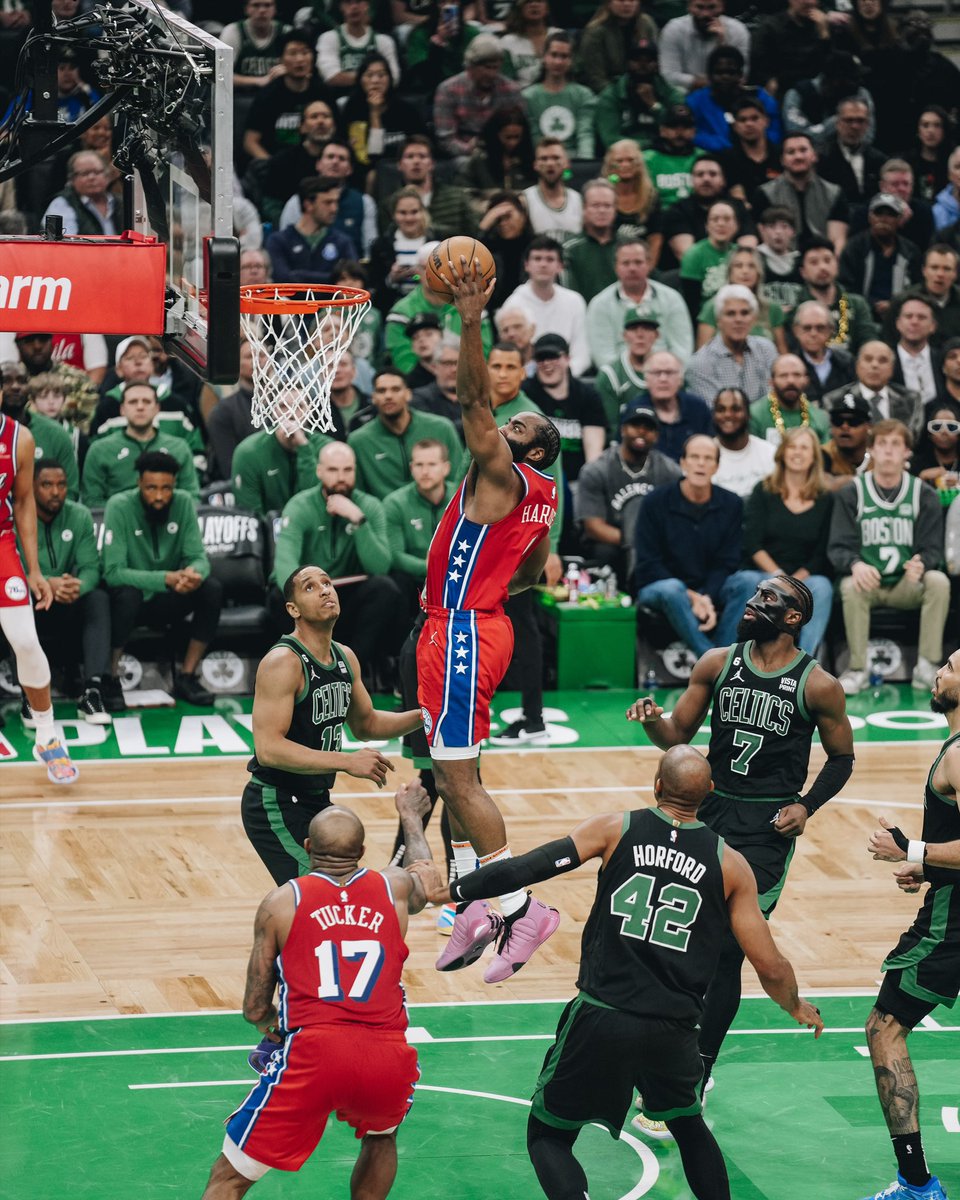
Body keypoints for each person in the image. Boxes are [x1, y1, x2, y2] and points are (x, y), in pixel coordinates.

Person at [408, 744, 825, 1200]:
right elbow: (770, 964)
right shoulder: (731, 864)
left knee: (548, 1137)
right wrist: (795, 1005)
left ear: (657, 785)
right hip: (674, 1027)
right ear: (709, 792)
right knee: (688, 1125)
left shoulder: (616, 828)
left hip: (602, 1015)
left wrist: (450, 891)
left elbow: (528, 867)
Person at [628, 574, 853, 1124]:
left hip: (766, 826)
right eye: (755, 596)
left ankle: (698, 1071)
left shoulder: (817, 684)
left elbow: (843, 758)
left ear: (795, 617)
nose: (754, 604)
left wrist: (807, 805)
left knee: (729, 948)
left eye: (768, 599)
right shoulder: (717, 662)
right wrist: (655, 721)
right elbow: (680, 732)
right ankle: (665, 1048)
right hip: (710, 810)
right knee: (682, 939)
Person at [415, 256, 563, 984]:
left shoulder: (503, 472)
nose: (505, 422)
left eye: (519, 424)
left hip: (464, 629)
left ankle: (520, 905)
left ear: (529, 451)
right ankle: (476, 905)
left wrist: (470, 320)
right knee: (452, 774)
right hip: (479, 623)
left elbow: (472, 402)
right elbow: (533, 573)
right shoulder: (540, 498)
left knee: (460, 779)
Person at [200, 786, 432, 1199]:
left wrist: (274, 1026)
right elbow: (426, 878)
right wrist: (410, 816)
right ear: (362, 851)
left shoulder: (280, 903)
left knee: (229, 1179)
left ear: (307, 846)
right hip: (386, 1055)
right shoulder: (393, 888)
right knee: (381, 1137)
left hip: (314, 1055)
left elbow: (254, 1008)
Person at [241, 563, 424, 885]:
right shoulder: (283, 661)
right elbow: (268, 749)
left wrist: (427, 716)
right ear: (292, 608)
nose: (325, 589)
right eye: (310, 586)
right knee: (321, 894)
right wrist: (347, 761)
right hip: (276, 801)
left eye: (327, 583)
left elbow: (366, 723)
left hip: (316, 799)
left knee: (333, 897)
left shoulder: (344, 657)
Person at [859, 654, 959, 1200]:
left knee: (884, 1028)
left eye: (950, 666)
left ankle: (917, 1185)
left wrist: (913, 848)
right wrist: (923, 864)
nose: (939, 672)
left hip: (952, 926)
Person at [828, 419, 951, 695]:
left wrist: (920, 564)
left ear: (907, 452)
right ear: (871, 449)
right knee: (849, 584)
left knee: (938, 581)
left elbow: (933, 549)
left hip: (906, 585)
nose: (888, 451)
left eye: (896, 444)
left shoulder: (924, 494)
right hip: (867, 585)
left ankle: (927, 667)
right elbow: (837, 547)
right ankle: (857, 669)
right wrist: (855, 564)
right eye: (882, 444)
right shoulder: (852, 492)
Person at [101, 451, 223, 707]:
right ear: (139, 484)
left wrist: (194, 574)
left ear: (175, 485)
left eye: (166, 488)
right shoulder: (119, 506)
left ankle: (187, 676)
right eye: (151, 488)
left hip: (168, 598)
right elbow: (113, 573)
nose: (159, 496)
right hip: (131, 601)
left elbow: (198, 557)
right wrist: (166, 578)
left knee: (211, 589)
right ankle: (110, 678)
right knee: (126, 594)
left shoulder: (183, 503)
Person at [272, 442, 401, 678]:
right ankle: (305, 670)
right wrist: (310, 593)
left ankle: (350, 674)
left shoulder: (370, 506)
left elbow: (380, 566)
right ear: (319, 471)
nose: (340, 477)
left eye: (347, 470)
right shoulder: (300, 506)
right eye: (332, 470)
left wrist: (357, 520)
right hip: (310, 596)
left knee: (386, 588)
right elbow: (285, 568)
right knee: (277, 596)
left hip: (347, 595)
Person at [0, 410, 78, 783]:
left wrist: (33, 569)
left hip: (1, 544)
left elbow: (25, 501)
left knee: (27, 642)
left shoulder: (20, 438)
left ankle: (47, 734)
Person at [716, 427, 835, 654]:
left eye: (804, 448)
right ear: (782, 452)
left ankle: (804, 665)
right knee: (748, 581)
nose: (797, 453)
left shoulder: (825, 498)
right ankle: (725, 658)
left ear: (814, 456)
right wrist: (779, 579)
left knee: (822, 587)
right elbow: (752, 543)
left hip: (804, 578)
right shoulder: (764, 490)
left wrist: (794, 583)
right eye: (792, 446)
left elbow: (821, 552)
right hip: (763, 572)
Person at [634, 434, 743, 656]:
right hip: (659, 586)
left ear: (717, 466)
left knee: (751, 581)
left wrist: (706, 598)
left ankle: (723, 654)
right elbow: (649, 563)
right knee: (672, 589)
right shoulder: (655, 502)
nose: (700, 463)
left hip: (710, 588)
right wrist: (692, 596)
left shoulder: (732, 504)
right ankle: (714, 662)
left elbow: (727, 562)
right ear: (683, 463)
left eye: (708, 458)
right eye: (694, 457)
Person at [31, 461, 111, 725]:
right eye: (47, 485)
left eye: (61, 485)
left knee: (97, 598)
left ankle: (92, 692)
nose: (55, 491)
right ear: (31, 487)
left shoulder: (79, 515)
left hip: (66, 599)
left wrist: (75, 587)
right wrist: (46, 584)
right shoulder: (17, 515)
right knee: (12, 601)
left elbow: (91, 568)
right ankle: (28, 698)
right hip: (29, 600)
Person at [576, 397, 682, 588]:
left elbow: (676, 519)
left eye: (648, 427)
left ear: (656, 435)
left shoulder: (670, 471)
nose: (641, 431)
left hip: (655, 542)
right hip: (612, 542)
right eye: (635, 425)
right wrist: (636, 541)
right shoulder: (597, 469)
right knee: (605, 551)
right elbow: (593, 527)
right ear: (623, 429)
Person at [80, 382, 199, 508]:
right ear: (122, 410)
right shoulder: (100, 450)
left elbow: (192, 498)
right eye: (133, 402)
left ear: (157, 409)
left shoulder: (179, 448)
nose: (140, 407)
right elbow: (92, 501)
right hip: (118, 523)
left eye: (147, 402)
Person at [348, 370, 462, 500]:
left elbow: (459, 480)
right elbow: (358, 495)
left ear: (408, 394)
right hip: (385, 516)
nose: (388, 396)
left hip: (441, 513)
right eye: (381, 391)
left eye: (395, 389)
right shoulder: (359, 441)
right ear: (373, 398)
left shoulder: (442, 428)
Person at [586, 238, 694, 370]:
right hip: (620, 381)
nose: (632, 268)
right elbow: (603, 356)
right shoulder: (600, 304)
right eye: (626, 263)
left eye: (638, 262)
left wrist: (664, 377)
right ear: (616, 267)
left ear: (649, 264)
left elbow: (682, 349)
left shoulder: (672, 299)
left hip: (665, 376)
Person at [521, 334, 607, 481]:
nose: (547, 363)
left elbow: (594, 456)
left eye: (553, 357)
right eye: (541, 358)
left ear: (567, 359)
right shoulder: (525, 393)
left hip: (578, 483)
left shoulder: (587, 396)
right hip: (536, 481)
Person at [501, 236, 590, 375]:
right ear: (526, 265)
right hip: (526, 379)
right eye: (537, 259)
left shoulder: (575, 301)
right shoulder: (513, 304)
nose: (543, 264)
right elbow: (510, 355)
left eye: (550, 259)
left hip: (567, 378)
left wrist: (561, 376)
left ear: (560, 266)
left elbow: (582, 354)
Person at [242, 30, 334, 162]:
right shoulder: (268, 95)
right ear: (281, 59)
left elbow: (337, 133)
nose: (300, 59)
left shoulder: (323, 92)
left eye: (305, 52)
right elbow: (250, 143)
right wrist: (273, 166)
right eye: (293, 53)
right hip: (276, 163)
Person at [753, 133, 850, 253]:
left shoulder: (834, 193)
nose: (798, 156)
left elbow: (837, 240)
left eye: (803, 150)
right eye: (791, 152)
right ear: (782, 160)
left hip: (821, 260)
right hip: (780, 259)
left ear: (814, 155)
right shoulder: (764, 193)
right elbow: (765, 239)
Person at [432, 36, 525, 160]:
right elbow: (446, 139)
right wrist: (471, 150)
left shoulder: (511, 90)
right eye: (487, 67)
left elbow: (521, 133)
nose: (492, 74)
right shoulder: (448, 90)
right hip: (464, 155)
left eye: (495, 67)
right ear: (470, 66)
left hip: (504, 153)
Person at [685, 285, 778, 405]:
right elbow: (716, 412)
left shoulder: (766, 349)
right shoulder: (700, 363)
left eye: (744, 313)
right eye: (730, 314)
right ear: (718, 320)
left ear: (753, 319)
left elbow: (776, 398)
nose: (738, 319)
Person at [839, 194, 922, 323]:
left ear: (899, 219)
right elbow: (845, 287)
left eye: (890, 214)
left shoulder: (911, 252)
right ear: (870, 217)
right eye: (878, 214)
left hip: (903, 318)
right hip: (861, 317)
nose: (883, 219)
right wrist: (872, 305)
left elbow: (918, 288)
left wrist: (894, 305)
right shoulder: (854, 248)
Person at [793, 236, 879, 356]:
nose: (822, 267)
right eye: (814, 262)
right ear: (803, 272)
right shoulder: (796, 308)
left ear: (837, 265)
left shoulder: (857, 304)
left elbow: (869, 343)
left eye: (827, 260)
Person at [823, 340, 923, 442]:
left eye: (882, 360)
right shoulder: (834, 400)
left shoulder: (911, 399)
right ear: (857, 366)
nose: (875, 365)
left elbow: (911, 440)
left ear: (892, 368)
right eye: (868, 359)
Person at [594, 40, 684, 154]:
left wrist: (654, 106)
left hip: (665, 155)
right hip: (625, 156)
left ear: (657, 64)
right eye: (637, 60)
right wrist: (652, 144)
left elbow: (679, 133)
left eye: (648, 60)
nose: (643, 65)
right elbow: (610, 140)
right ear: (627, 63)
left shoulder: (670, 93)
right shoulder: (611, 95)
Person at [686, 46, 780, 155]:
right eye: (719, 73)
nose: (725, 77)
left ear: (740, 75)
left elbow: (775, 134)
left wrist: (750, 144)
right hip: (713, 159)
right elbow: (691, 134)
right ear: (709, 76)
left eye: (731, 72)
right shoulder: (695, 101)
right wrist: (726, 146)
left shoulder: (760, 97)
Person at [266, 176, 358, 285]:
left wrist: (298, 275)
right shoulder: (278, 241)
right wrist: (333, 279)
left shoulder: (343, 242)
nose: (334, 209)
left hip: (331, 302)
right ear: (308, 205)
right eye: (328, 203)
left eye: (336, 202)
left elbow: (353, 279)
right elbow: (282, 280)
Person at [521, 31, 596, 162]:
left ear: (571, 60)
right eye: (554, 55)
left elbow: (585, 134)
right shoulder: (528, 97)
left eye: (564, 56)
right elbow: (534, 137)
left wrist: (585, 164)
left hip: (575, 161)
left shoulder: (584, 95)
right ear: (544, 57)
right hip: (542, 161)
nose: (558, 61)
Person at [696, 246, 788, 352]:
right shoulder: (713, 306)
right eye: (738, 266)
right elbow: (701, 353)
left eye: (751, 266)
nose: (745, 271)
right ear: (730, 272)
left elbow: (783, 353)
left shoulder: (772, 308)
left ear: (759, 272)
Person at [232, 420, 333, 514]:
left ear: (310, 409)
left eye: (299, 407)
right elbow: (250, 514)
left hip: (313, 528)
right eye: (283, 407)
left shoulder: (330, 450)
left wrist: (304, 448)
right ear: (272, 410)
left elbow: (318, 506)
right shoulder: (249, 452)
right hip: (267, 530)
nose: (290, 414)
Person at [658, 0, 750, 94]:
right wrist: (714, 82)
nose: (706, 14)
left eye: (712, 7)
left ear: (722, 7)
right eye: (699, 7)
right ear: (689, 7)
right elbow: (669, 76)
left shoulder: (738, 30)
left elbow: (741, 77)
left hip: (725, 96)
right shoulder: (673, 29)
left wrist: (722, 44)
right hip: (683, 96)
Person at [315, 0, 400, 99]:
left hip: (379, 98)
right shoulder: (328, 38)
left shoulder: (384, 41)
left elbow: (393, 78)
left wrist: (352, 77)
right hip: (342, 98)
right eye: (348, 2)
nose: (354, 7)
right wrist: (375, 78)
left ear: (367, 5)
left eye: (359, 1)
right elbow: (331, 77)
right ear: (341, 7)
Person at [575, 0, 659, 96]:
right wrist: (620, 98)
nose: (627, 4)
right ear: (609, 3)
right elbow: (595, 78)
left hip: (645, 91)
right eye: (621, 0)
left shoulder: (647, 24)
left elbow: (656, 66)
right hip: (607, 94)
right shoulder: (595, 32)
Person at [884, 244, 960, 349]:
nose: (940, 274)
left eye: (946, 269)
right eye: (934, 267)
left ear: (955, 274)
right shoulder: (902, 302)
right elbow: (890, 344)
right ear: (924, 270)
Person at [748, 353, 831, 447]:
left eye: (797, 375)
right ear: (771, 382)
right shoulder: (754, 415)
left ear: (806, 381)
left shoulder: (820, 418)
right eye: (783, 375)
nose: (790, 381)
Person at [816, 97, 886, 208]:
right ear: (837, 123)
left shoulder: (880, 160)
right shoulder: (821, 159)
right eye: (849, 120)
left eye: (860, 121)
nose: (855, 126)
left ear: (868, 124)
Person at [711, 385, 775, 498]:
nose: (728, 415)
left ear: (748, 415)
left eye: (736, 409)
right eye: (721, 410)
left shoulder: (770, 453)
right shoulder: (704, 456)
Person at [561, 178, 618, 304]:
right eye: (595, 205)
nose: (602, 211)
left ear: (615, 210)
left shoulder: (628, 246)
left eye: (607, 205)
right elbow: (568, 296)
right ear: (584, 209)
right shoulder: (569, 249)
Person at [679, 198, 738, 319]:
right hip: (705, 319)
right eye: (715, 219)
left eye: (727, 219)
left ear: (736, 225)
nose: (721, 224)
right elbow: (691, 305)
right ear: (707, 226)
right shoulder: (694, 254)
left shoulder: (741, 253)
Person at [790, 301, 856, 406]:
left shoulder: (847, 361)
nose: (813, 333)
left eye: (820, 328)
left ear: (831, 330)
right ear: (796, 330)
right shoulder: (788, 366)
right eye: (807, 328)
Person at [521, 138, 584, 247]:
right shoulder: (524, 200)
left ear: (566, 163)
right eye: (543, 159)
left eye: (556, 158)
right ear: (535, 165)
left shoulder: (579, 200)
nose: (550, 163)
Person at [718, 96, 781, 204]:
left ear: (766, 121)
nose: (749, 124)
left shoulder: (781, 155)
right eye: (742, 120)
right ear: (735, 126)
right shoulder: (725, 160)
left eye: (754, 118)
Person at [42, 150, 119, 236]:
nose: (92, 178)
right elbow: (62, 243)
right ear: (72, 179)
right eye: (85, 173)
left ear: (107, 175)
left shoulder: (122, 202)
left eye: (97, 172)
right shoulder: (61, 204)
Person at [643, 103, 702, 212]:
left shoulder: (703, 158)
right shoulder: (647, 159)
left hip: (697, 217)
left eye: (686, 127)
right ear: (662, 130)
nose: (680, 132)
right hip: (659, 217)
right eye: (673, 126)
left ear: (694, 131)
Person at [220, 0, 290, 93]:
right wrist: (260, 81)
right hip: (240, 97)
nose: (262, 10)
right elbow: (221, 75)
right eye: (256, 5)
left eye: (267, 5)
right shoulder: (233, 31)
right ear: (246, 9)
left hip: (277, 95)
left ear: (275, 9)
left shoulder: (286, 32)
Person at [891, 296, 947, 408]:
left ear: (933, 326)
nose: (914, 322)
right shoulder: (886, 360)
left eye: (921, 317)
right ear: (898, 323)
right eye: (908, 316)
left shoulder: (943, 360)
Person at [822, 390, 872, 487]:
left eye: (853, 421)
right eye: (838, 421)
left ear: (869, 427)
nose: (845, 427)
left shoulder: (880, 457)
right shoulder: (820, 456)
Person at [911, 401, 960, 491]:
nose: (944, 432)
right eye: (937, 427)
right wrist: (921, 479)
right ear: (929, 434)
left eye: (951, 427)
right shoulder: (915, 464)